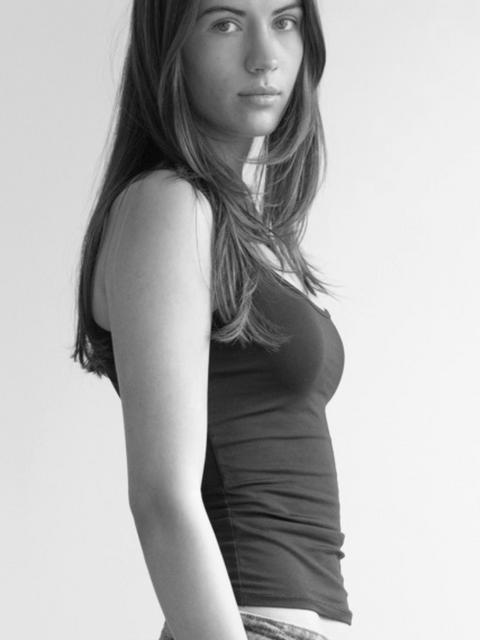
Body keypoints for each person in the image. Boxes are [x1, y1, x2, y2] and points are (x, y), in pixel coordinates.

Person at [71, 1, 353, 639]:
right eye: (225, 23)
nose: (265, 56)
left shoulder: (238, 225)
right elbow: (162, 497)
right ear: (170, 48)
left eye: (285, 21)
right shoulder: (169, 204)